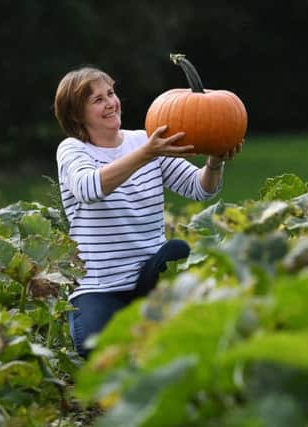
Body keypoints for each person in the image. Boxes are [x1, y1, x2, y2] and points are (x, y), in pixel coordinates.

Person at [53, 66, 241, 359]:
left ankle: (155, 322)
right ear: (77, 114)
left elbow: (199, 188)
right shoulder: (73, 150)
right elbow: (89, 188)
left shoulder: (144, 140)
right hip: (100, 286)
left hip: (149, 278)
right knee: (99, 354)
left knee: (177, 250)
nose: (111, 103)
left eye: (111, 94)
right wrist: (147, 154)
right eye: (97, 100)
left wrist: (215, 162)